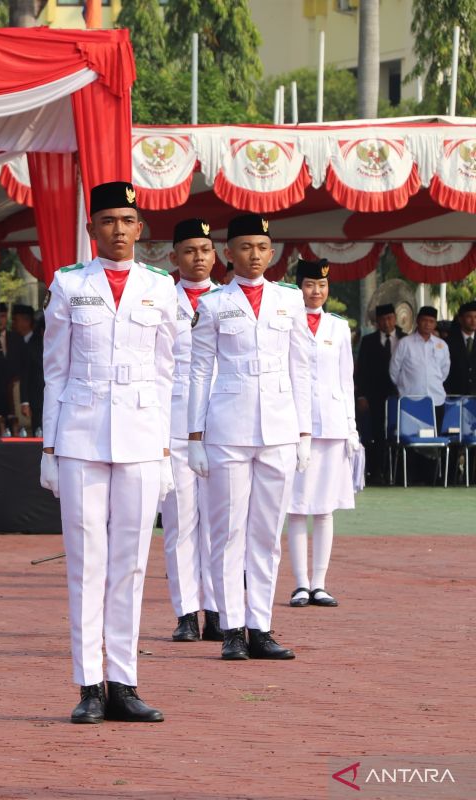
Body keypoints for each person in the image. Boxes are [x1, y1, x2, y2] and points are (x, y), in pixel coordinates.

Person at [39, 181, 177, 724]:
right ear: (92, 229)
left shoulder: (160, 287)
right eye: (108, 221)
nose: (118, 230)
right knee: (86, 562)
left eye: (128, 220)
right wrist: (49, 447)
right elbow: (54, 370)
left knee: (132, 565)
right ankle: (88, 683)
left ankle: (124, 681)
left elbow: (169, 373)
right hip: (80, 433)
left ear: (140, 228)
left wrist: (167, 450)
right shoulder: (70, 284)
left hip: (142, 437)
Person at [187, 213, 312, 662]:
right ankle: (231, 628)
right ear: (228, 253)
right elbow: (200, 369)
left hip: (278, 427)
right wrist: (194, 435)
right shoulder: (216, 303)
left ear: (272, 252)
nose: (254, 255)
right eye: (245, 247)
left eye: (261, 247)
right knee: (227, 531)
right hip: (228, 427)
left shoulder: (290, 300)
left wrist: (304, 431)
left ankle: (260, 625)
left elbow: (301, 368)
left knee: (265, 531)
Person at [285, 259, 358, 610]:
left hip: (331, 425)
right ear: (298, 286)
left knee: (325, 508)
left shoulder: (338, 327)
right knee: (297, 507)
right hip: (297, 426)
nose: (316, 292)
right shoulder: (286, 323)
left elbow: (346, 380)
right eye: (310, 285)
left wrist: (352, 427)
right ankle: (300, 584)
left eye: (323, 286)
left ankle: (320, 582)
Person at [161, 218, 222, 644]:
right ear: (174, 257)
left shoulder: (231, 299)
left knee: (222, 522)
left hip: (224, 421)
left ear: (215, 255)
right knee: (181, 522)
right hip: (175, 422)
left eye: (205, 249)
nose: (198, 258)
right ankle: (186, 611)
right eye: (189, 251)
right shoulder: (161, 300)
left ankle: (220, 610)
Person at [354, 303, 404, 483]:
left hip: (399, 396)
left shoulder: (405, 339)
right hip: (374, 396)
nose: (386, 322)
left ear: (395, 319)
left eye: (390, 318)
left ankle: (398, 474)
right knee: (375, 434)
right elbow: (361, 371)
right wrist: (361, 395)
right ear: (377, 322)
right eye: (382, 319)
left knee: (398, 434)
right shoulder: (368, 341)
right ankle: (375, 473)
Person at [389, 306, 449, 417]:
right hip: (411, 398)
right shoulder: (405, 343)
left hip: (436, 399)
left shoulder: (442, 345)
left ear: (435, 324)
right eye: (424, 320)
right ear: (417, 321)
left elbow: (444, 370)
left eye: (431, 321)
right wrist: (404, 386)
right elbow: (394, 370)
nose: (427, 324)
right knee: (411, 433)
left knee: (435, 434)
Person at [6, 304, 43, 435]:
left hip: (41, 397)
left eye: (16, 320)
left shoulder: (39, 342)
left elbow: (29, 373)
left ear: (26, 321)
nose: (13, 324)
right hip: (32, 400)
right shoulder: (16, 341)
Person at [444, 301, 476, 396]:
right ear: (460, 319)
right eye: (469, 317)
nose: (473, 321)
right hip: (455, 395)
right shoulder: (448, 342)